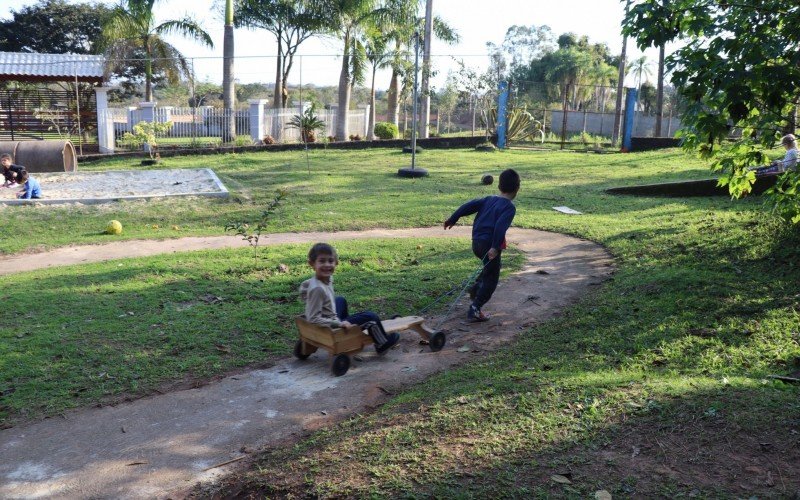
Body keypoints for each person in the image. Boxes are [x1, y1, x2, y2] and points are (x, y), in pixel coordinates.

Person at [444, 168, 520, 323]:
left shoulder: (488, 199)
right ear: (518, 188)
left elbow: (469, 206)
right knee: (492, 278)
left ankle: (477, 288)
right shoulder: (509, 208)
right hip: (488, 245)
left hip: (476, 242)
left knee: (489, 268)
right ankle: (475, 308)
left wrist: (454, 218)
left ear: (499, 186)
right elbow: (500, 227)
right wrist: (495, 247)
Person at [299, 242, 400, 353]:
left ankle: (347, 324)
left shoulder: (322, 279)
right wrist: (339, 324)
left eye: (330, 261)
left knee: (340, 300)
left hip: (329, 317)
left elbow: (305, 285)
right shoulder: (317, 289)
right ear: (312, 264)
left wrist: (305, 292)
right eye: (322, 261)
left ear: (336, 263)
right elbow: (313, 319)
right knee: (371, 317)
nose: (327, 265)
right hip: (330, 326)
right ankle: (382, 344)